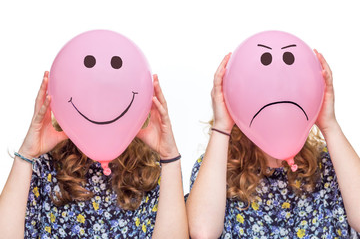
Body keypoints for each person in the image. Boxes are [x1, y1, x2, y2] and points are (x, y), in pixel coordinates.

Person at [186, 51, 360, 238]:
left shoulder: (329, 166)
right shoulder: (218, 170)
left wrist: (329, 124)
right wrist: (222, 126)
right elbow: (202, 233)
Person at [0, 72, 188, 238]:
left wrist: (169, 156)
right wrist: (26, 153)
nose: (102, 106)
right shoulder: (45, 167)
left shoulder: (152, 173)